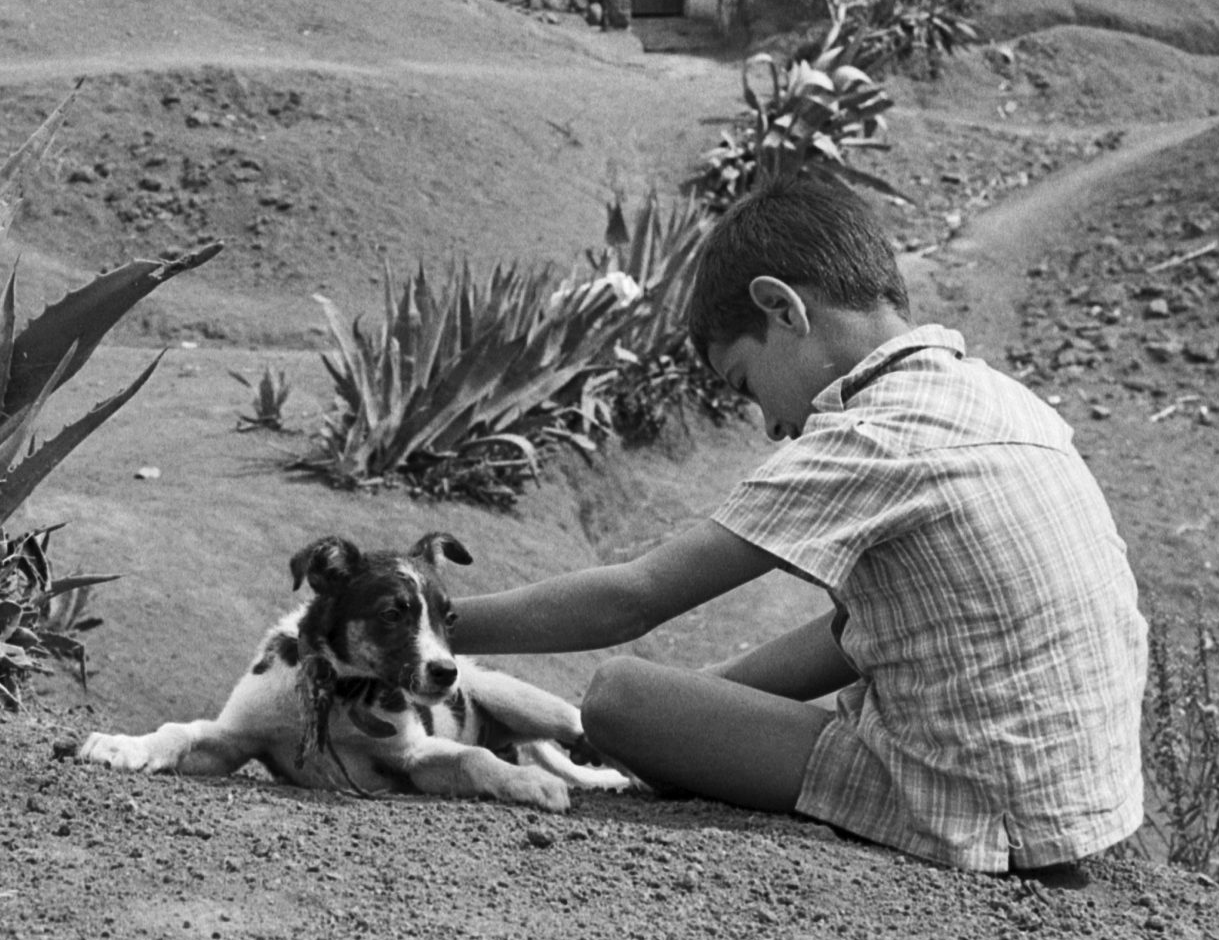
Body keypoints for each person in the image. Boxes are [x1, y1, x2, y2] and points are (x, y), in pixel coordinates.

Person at [449, 175, 1146, 885]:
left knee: (616, 698)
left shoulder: (870, 435)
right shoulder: (1004, 403)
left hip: (956, 803)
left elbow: (635, 597)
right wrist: (703, 698)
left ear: (781, 308)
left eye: (747, 383)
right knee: (657, 701)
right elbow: (856, 634)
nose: (774, 425)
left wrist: (429, 627)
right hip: (1074, 809)